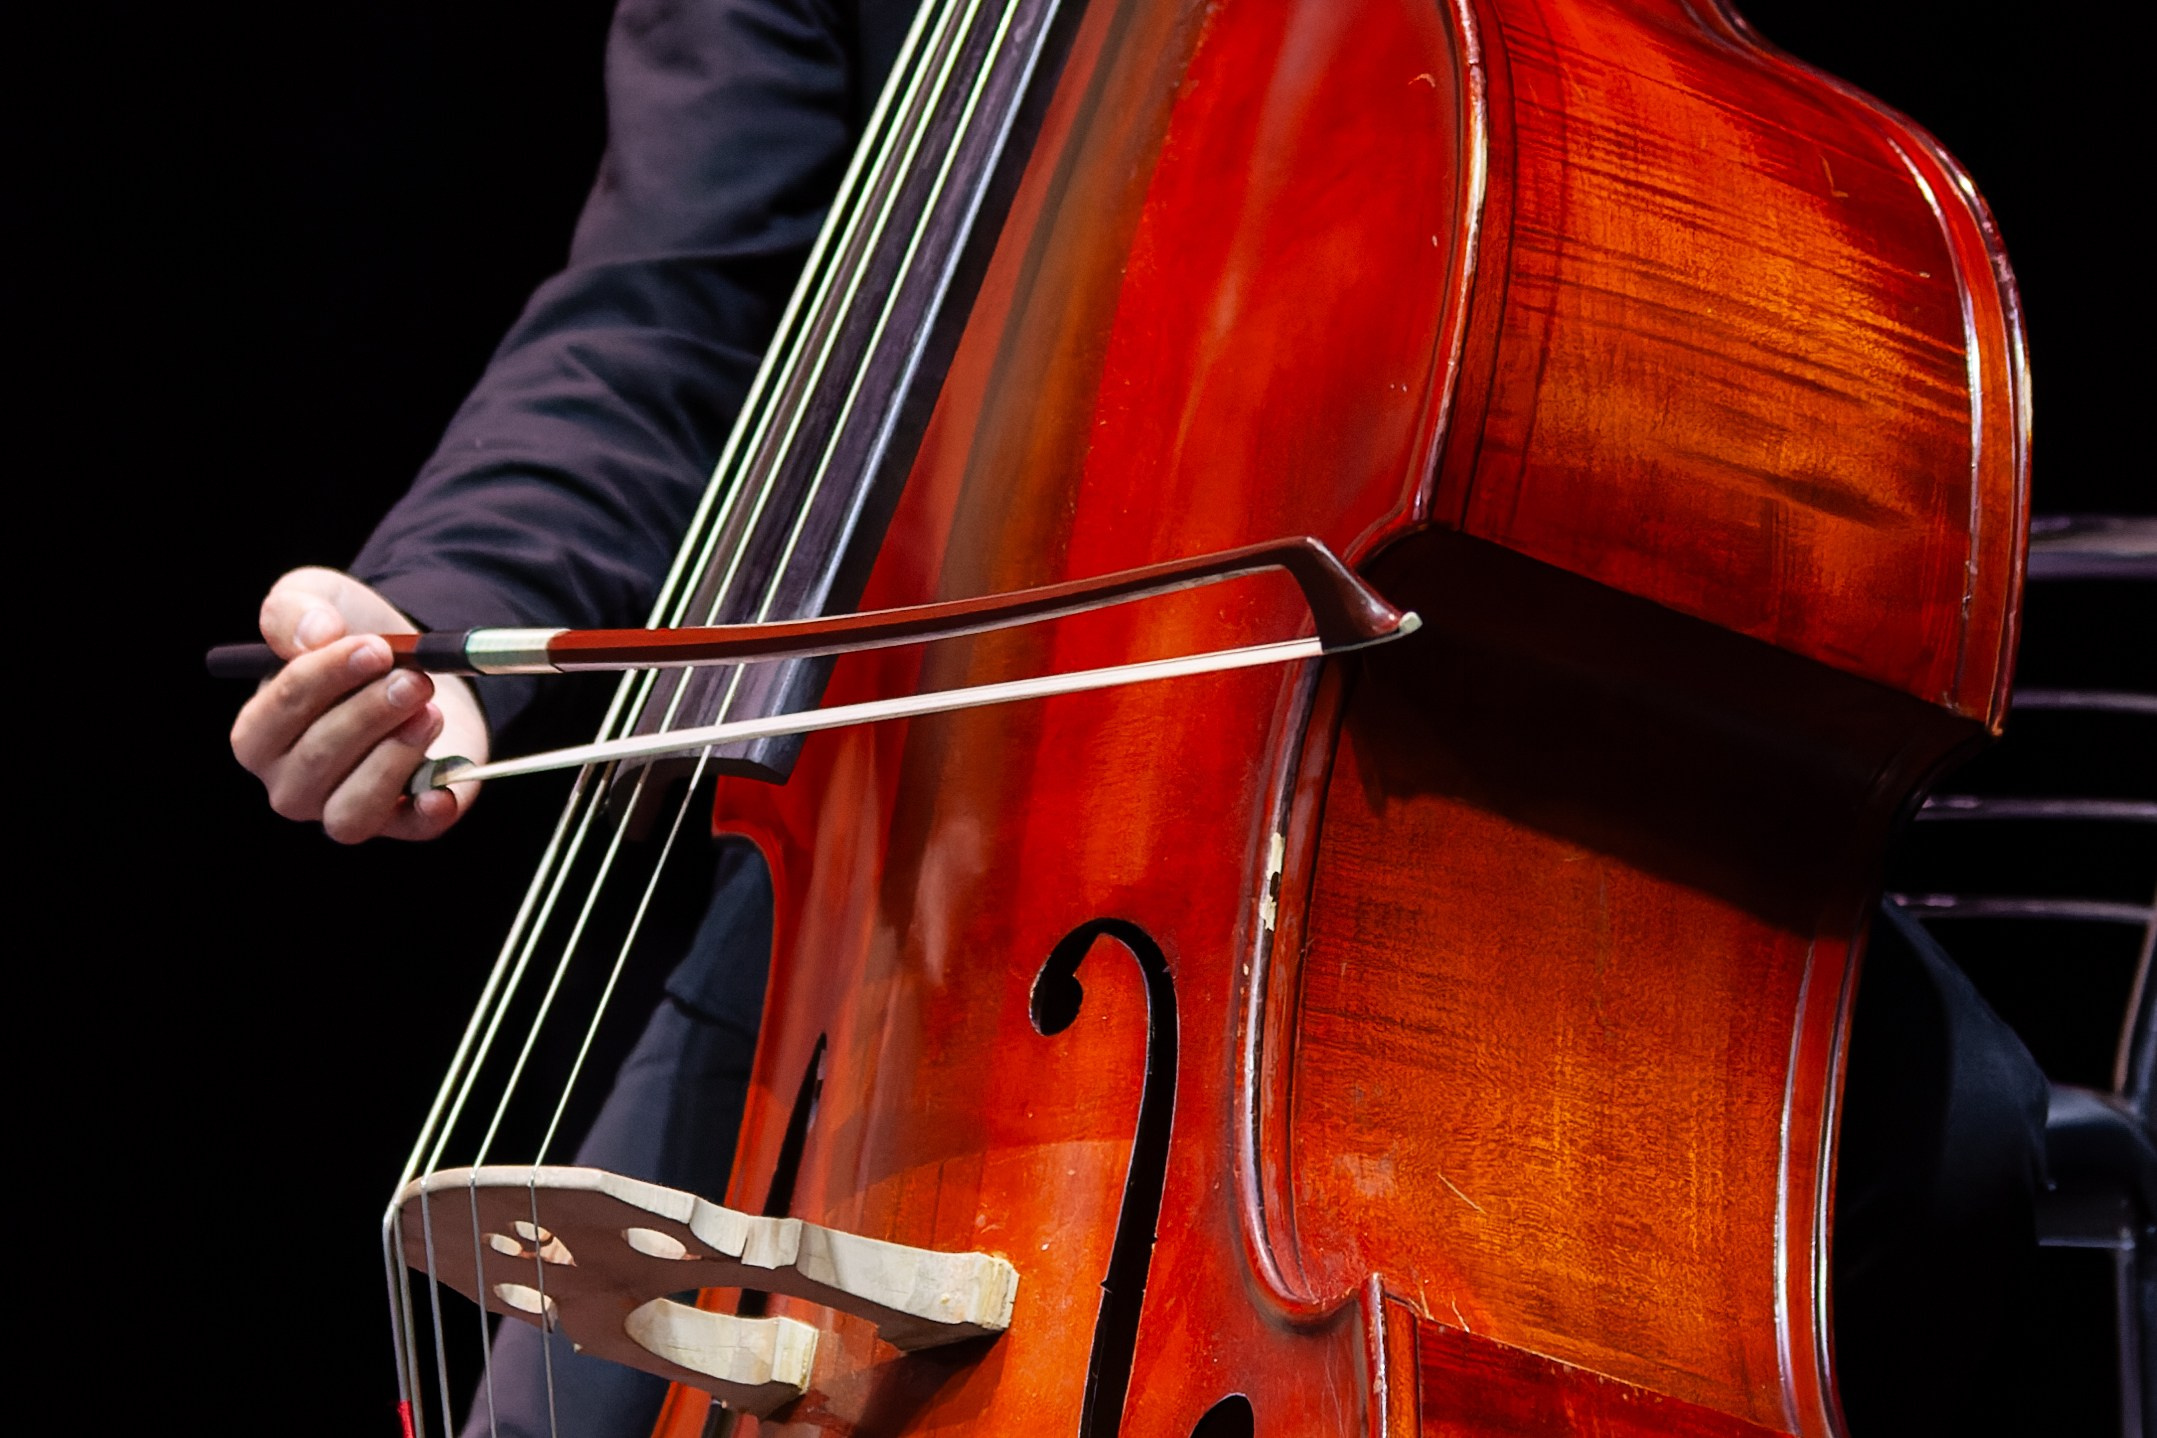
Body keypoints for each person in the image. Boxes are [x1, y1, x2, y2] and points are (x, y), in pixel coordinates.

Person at [226, 1, 2052, 1434]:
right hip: (914, 824)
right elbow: (680, 286)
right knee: (570, 1394)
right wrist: (449, 605)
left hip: (1414, 785)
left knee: (1940, 1137)